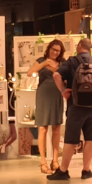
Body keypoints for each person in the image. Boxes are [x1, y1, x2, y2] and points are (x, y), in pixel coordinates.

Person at [48, 38, 92, 180]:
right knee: (90, 139)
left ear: (79, 46)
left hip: (75, 106)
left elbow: (56, 75)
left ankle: (63, 171)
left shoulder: (71, 62)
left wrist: (63, 91)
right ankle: (86, 170)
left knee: (71, 139)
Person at [28, 39, 66, 173]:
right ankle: (43, 162)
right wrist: (44, 63)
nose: (55, 52)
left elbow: (66, 77)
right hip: (43, 94)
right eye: (53, 49)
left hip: (57, 94)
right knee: (43, 128)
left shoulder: (62, 63)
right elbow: (30, 72)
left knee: (56, 128)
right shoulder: (41, 60)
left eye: (58, 51)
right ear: (49, 49)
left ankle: (55, 161)